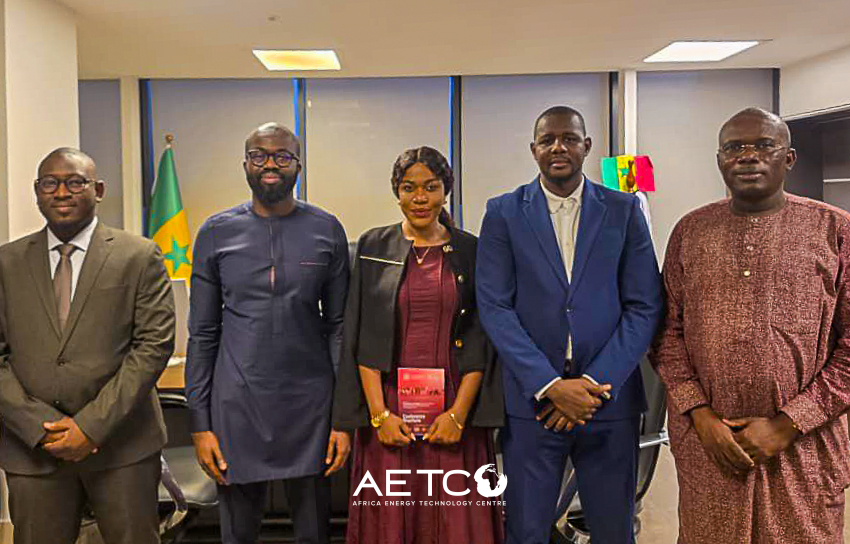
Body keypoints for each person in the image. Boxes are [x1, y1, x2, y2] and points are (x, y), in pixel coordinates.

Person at [652, 107, 850, 543]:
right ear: (719, 160)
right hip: (711, 447)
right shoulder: (691, 231)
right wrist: (700, 415)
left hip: (804, 449)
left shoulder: (836, 231)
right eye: (734, 148)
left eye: (764, 145)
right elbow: (667, 335)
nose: (748, 156)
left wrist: (788, 424)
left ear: (789, 158)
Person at [476, 106, 663, 544]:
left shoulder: (624, 209)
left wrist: (593, 384)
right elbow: (495, 308)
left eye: (569, 138)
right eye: (547, 140)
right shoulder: (503, 212)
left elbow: (644, 306)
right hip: (533, 404)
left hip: (608, 403)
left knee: (614, 531)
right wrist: (550, 385)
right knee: (526, 531)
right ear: (533, 149)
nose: (558, 147)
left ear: (586, 146)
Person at [185, 122, 351, 544]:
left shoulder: (327, 229)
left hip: (312, 406)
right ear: (245, 165)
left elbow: (338, 328)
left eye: (282, 156)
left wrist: (343, 418)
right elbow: (202, 333)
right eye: (259, 155)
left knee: (314, 533)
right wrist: (200, 425)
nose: (270, 164)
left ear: (298, 166)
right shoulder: (215, 233)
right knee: (238, 534)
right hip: (237, 404)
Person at [0, 148, 176, 544]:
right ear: (37, 191)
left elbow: (153, 347)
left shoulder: (138, 256)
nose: (62, 192)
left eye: (75, 182)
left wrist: (90, 427)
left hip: (122, 447)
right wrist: (39, 428)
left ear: (98, 190)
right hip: (32, 450)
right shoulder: (6, 262)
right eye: (50, 183)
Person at [332, 146, 505, 544]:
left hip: (455, 412)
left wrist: (458, 416)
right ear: (397, 192)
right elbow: (361, 335)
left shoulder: (471, 250)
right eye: (409, 188)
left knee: (457, 522)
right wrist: (379, 416)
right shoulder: (374, 246)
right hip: (390, 412)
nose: (420, 198)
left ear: (446, 190)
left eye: (431, 187)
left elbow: (480, 338)